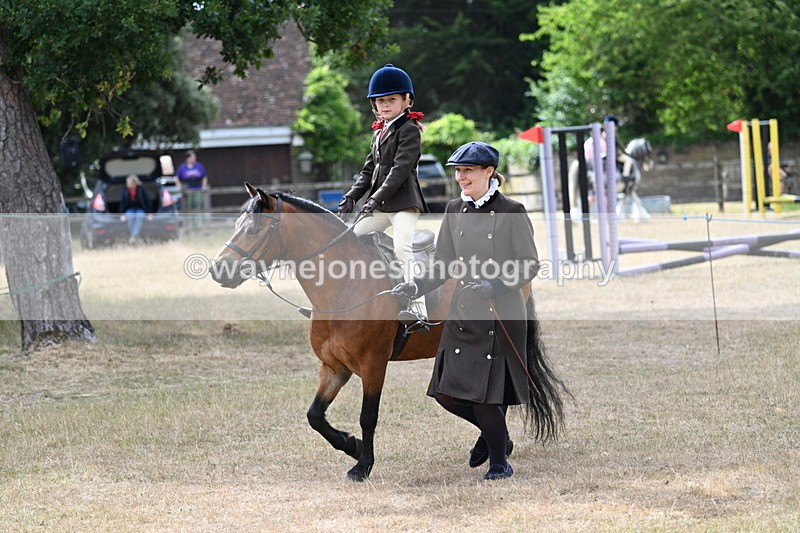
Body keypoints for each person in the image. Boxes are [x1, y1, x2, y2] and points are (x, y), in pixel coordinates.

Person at [392, 142, 540, 480]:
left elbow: (529, 263)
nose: (461, 176)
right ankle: (496, 435)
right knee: (445, 393)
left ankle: (500, 463)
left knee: (484, 397)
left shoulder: (512, 210)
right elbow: (443, 263)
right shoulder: (454, 209)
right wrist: (415, 286)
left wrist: (497, 284)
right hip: (463, 312)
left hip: (499, 312)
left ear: (489, 171)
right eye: (458, 171)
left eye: (468, 170)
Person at [337, 64, 430, 330]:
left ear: (407, 101)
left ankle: (418, 307)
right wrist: (351, 196)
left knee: (402, 247)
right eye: (380, 101)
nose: (385, 105)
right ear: (374, 105)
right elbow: (368, 171)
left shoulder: (409, 130)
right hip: (380, 205)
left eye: (391, 99)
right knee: (348, 239)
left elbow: (399, 171)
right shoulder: (379, 133)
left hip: (404, 204)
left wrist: (374, 200)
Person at [176, 150, 209, 228]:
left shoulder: (198, 166)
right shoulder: (182, 167)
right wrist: (179, 187)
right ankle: (189, 224)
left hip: (197, 188)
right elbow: (177, 178)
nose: (194, 159)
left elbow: (204, 176)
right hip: (187, 190)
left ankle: (197, 224)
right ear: (188, 158)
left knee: (197, 205)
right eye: (192, 157)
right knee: (189, 206)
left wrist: (204, 186)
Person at [119, 174, 154, 243]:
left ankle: (133, 236)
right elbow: (122, 203)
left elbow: (147, 201)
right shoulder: (125, 190)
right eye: (127, 182)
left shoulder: (141, 190)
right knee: (130, 217)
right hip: (129, 209)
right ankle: (135, 237)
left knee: (140, 216)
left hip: (140, 209)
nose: (127, 184)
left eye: (129, 182)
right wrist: (122, 214)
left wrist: (150, 213)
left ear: (134, 183)